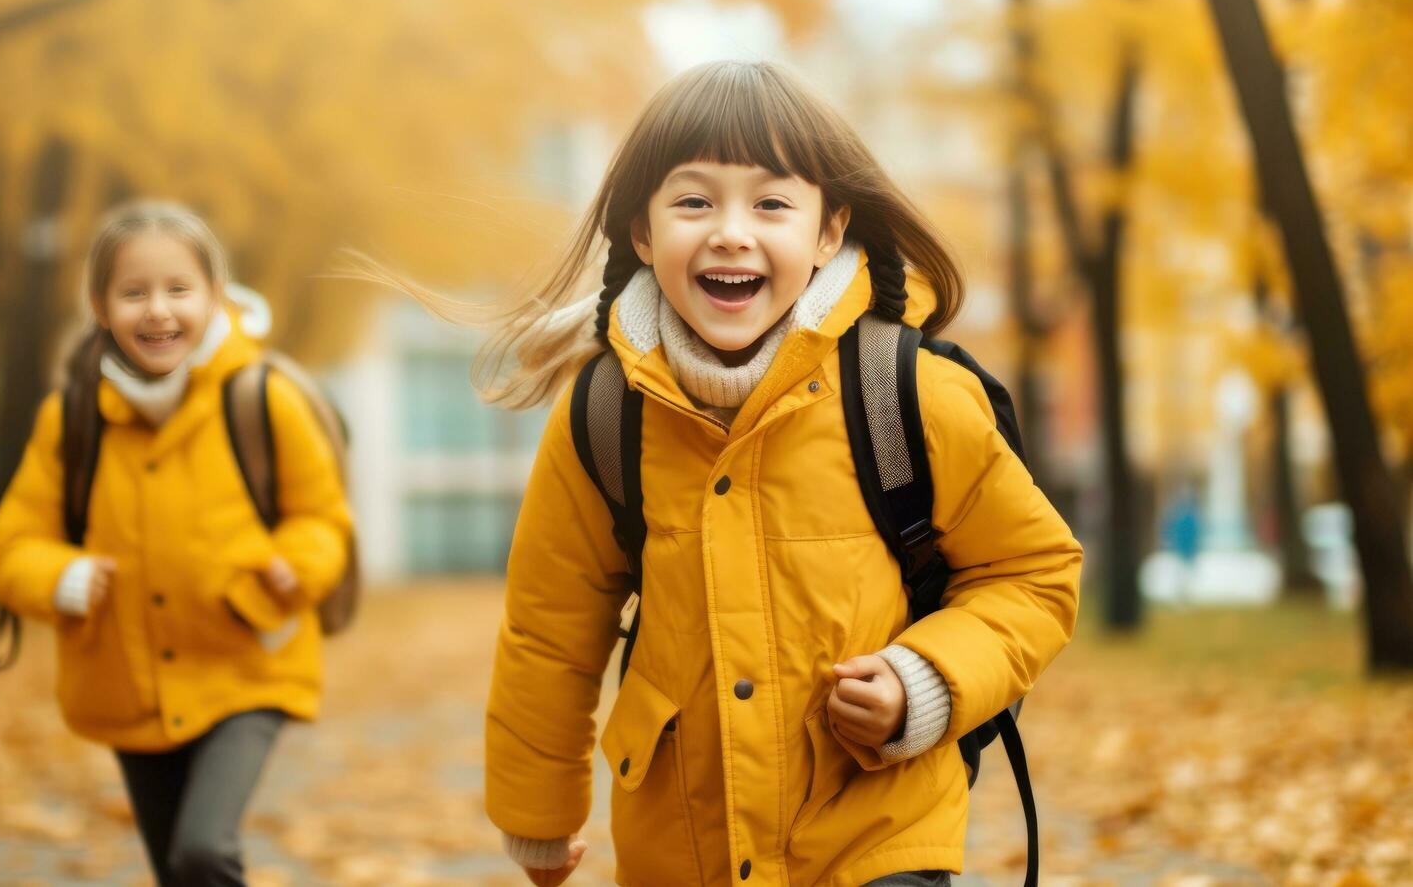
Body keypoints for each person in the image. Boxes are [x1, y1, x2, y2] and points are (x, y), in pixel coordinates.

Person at [378, 60, 1083, 885]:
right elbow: (550, 629)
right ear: (642, 232)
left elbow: (1033, 574)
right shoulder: (604, 415)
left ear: (828, 233)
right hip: (684, 842)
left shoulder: (909, 396)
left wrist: (922, 678)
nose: (730, 231)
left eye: (771, 203)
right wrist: (536, 813)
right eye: (693, 200)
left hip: (876, 829)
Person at [0, 200, 352, 887]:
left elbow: (324, 519)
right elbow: (6, 543)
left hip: (246, 666)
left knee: (202, 853)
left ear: (214, 296)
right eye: (133, 292)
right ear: (100, 305)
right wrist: (59, 576)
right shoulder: (73, 419)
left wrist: (297, 566)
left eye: (179, 290)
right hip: (127, 679)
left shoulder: (261, 397)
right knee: (176, 874)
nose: (158, 311)